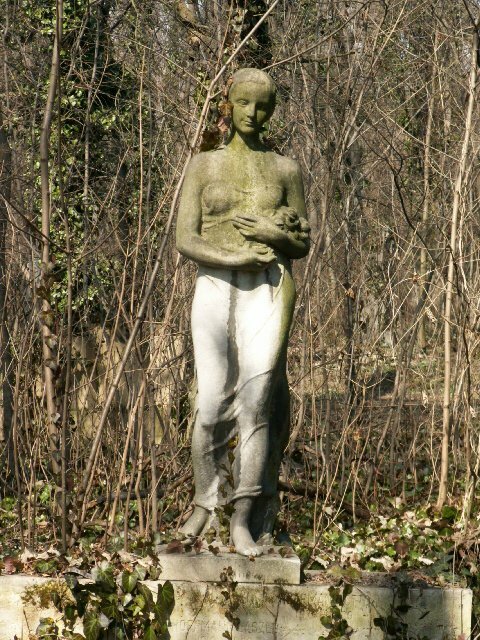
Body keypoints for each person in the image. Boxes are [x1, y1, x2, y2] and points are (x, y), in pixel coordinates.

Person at [176, 68, 310, 556]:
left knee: (257, 403)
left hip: (269, 289)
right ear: (227, 105)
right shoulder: (203, 165)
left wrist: (272, 235)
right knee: (211, 404)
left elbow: (302, 242)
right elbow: (185, 238)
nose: (253, 113)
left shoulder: (285, 169)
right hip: (215, 285)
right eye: (245, 103)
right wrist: (235, 256)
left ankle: (243, 517)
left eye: (263, 106)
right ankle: (204, 505)